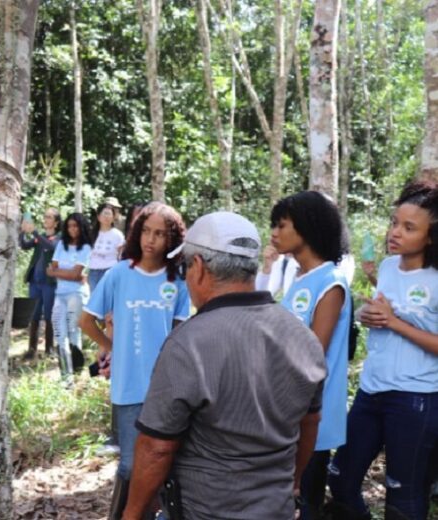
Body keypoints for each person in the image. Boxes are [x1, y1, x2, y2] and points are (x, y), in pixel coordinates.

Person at [123, 211, 327, 520]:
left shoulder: (188, 343)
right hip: (277, 510)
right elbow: (309, 424)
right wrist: (292, 481)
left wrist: (132, 513)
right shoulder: (302, 337)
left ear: (199, 268)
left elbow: (157, 447)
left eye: (185, 268)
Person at [327, 181, 438, 520]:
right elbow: (386, 314)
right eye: (394, 223)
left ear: (431, 237)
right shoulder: (388, 268)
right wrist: (369, 315)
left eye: (408, 227)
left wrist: (393, 322)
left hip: (415, 398)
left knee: (402, 500)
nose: (395, 233)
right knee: (341, 480)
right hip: (371, 391)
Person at [79, 202, 190, 519]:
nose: (151, 240)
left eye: (160, 234)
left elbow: (180, 332)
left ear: (172, 240)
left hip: (165, 388)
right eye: (146, 231)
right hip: (128, 384)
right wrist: (113, 347)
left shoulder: (177, 282)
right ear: (136, 232)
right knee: (130, 463)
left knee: (162, 459)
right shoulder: (119, 274)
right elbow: (87, 321)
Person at [269, 191, 351, 519]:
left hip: (314, 417)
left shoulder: (330, 282)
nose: (274, 233)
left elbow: (314, 354)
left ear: (307, 228)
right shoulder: (300, 278)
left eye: (282, 225)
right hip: (291, 411)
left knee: (307, 502)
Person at [46, 212, 92, 385]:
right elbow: (50, 270)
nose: (73, 229)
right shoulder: (61, 246)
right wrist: (69, 274)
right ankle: (66, 377)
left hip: (77, 295)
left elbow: (75, 275)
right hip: (60, 295)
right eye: (70, 226)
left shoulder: (86, 248)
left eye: (76, 226)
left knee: (73, 333)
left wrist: (60, 273)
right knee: (60, 334)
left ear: (82, 227)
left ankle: (77, 374)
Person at [19, 208, 61, 359]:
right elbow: (24, 246)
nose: (46, 219)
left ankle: (49, 348)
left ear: (56, 222)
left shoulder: (59, 238)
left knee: (49, 314)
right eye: (45, 216)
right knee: (34, 314)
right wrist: (22, 231)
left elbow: (51, 247)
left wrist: (35, 232)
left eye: (49, 217)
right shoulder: (40, 237)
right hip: (35, 282)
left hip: (49, 282)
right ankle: (32, 349)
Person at [88, 203, 125, 292]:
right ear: (98, 216)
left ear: (113, 217)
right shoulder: (92, 234)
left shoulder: (117, 235)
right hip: (93, 271)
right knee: (95, 300)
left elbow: (121, 255)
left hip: (110, 270)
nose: (107, 216)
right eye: (104, 213)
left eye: (109, 214)